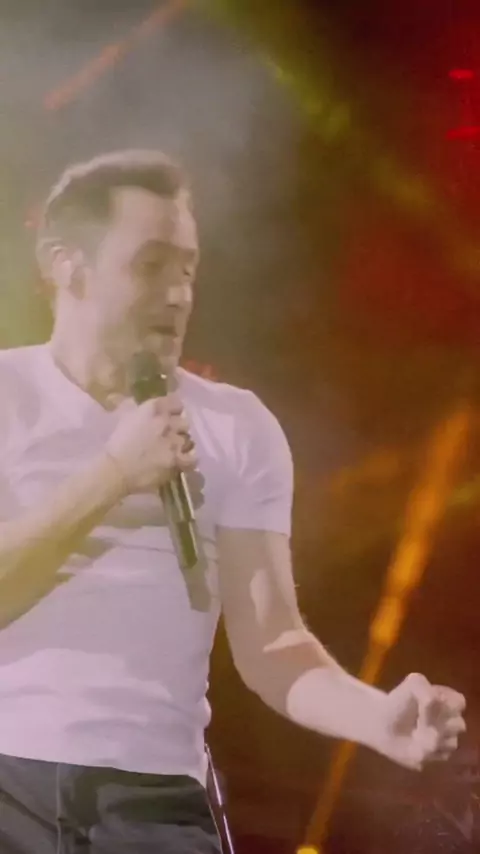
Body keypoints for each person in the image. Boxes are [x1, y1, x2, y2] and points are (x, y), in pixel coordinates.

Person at [0, 149, 466, 853]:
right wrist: (114, 474)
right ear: (69, 267)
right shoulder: (9, 396)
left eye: (187, 270)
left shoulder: (236, 426)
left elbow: (273, 643)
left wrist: (377, 720)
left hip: (153, 799)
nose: (177, 294)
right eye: (151, 265)